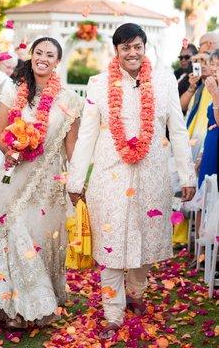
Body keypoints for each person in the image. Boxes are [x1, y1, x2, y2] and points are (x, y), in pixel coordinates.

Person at [66, 23, 196, 339]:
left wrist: (186, 173)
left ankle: (136, 292)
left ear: (144, 47)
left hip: (152, 173)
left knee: (145, 239)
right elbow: (85, 136)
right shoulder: (98, 84)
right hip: (110, 175)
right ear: (117, 51)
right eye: (126, 47)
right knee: (110, 245)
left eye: (137, 46)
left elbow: (177, 130)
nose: (132, 52)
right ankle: (112, 313)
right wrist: (75, 181)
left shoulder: (164, 81)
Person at [0, 37, 82, 329]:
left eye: (50, 55)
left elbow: (71, 146)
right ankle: (13, 309)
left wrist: (77, 182)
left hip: (48, 183)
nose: (43, 58)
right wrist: (13, 151)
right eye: (39, 53)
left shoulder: (69, 100)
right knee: (14, 234)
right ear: (31, 55)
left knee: (36, 241)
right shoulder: (13, 91)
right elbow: (1, 134)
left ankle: (36, 303)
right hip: (16, 175)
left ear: (57, 61)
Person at [198, 49, 219, 188]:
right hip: (210, 145)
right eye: (213, 63)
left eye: (218, 64)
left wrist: (215, 93)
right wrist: (201, 154)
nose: (214, 68)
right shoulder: (214, 88)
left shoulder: (214, 91)